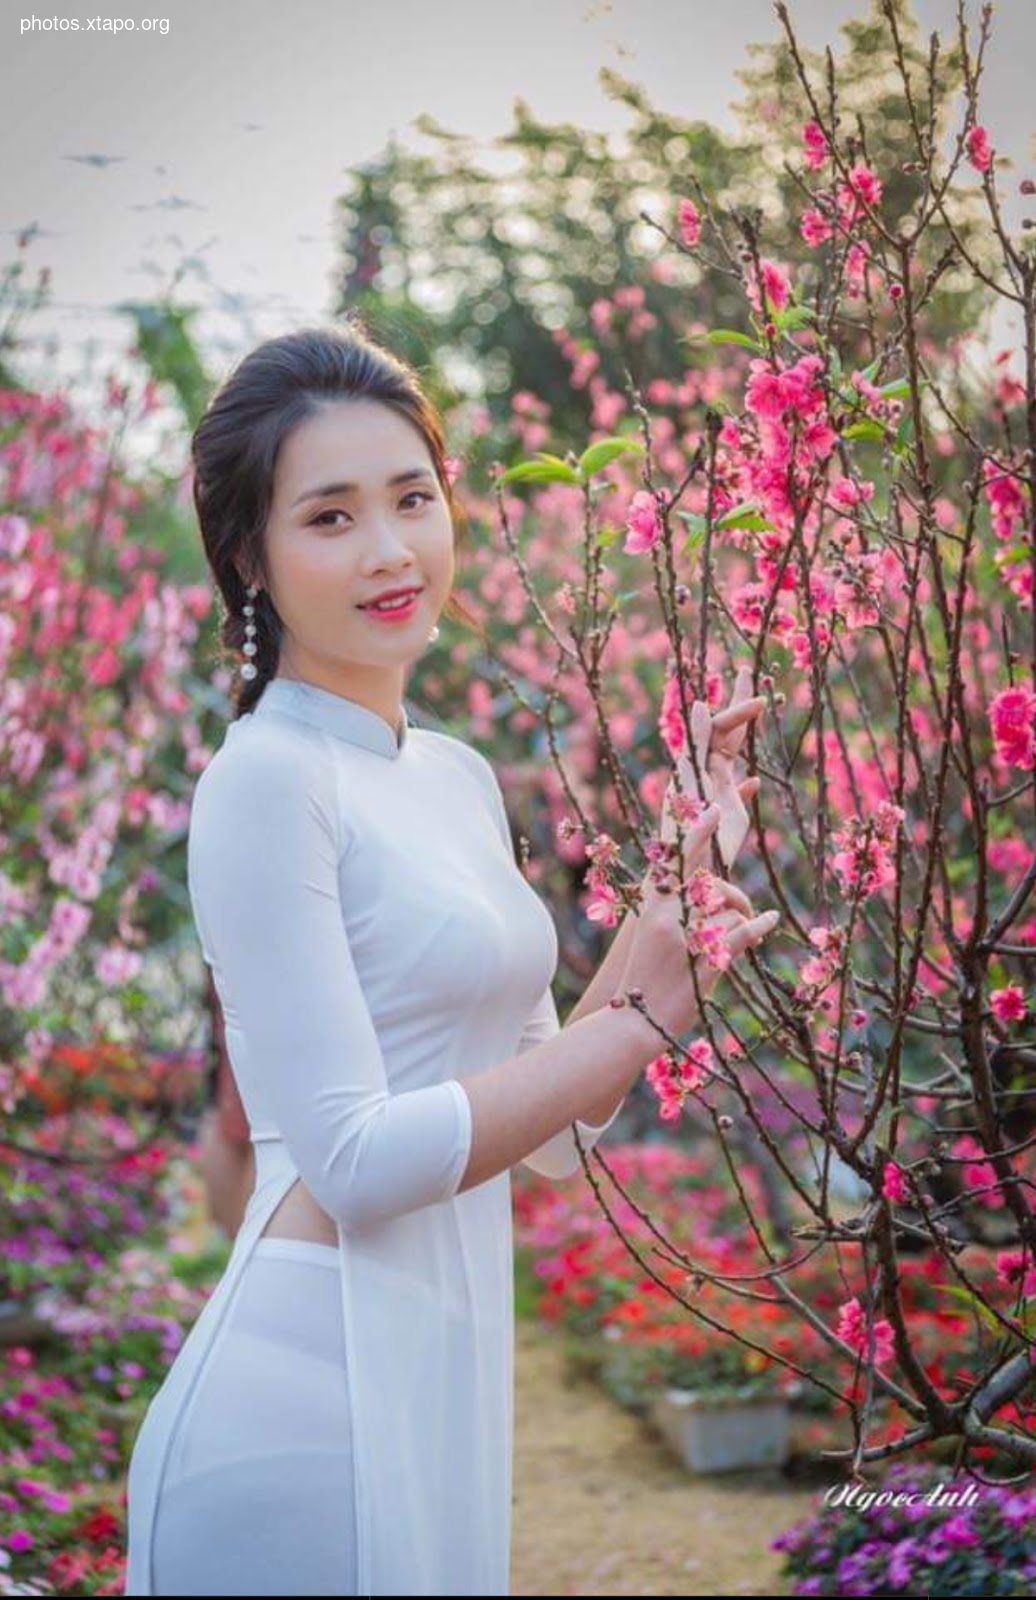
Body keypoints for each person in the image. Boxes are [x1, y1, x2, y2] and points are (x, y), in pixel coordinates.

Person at [122, 318, 779, 1597]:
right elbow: (357, 1161)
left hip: (436, 1372)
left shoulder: (456, 776)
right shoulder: (266, 779)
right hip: (306, 1402)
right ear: (248, 554)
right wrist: (643, 1018)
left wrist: (677, 885)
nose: (388, 550)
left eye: (412, 496)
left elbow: (551, 1124)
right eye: (329, 516)